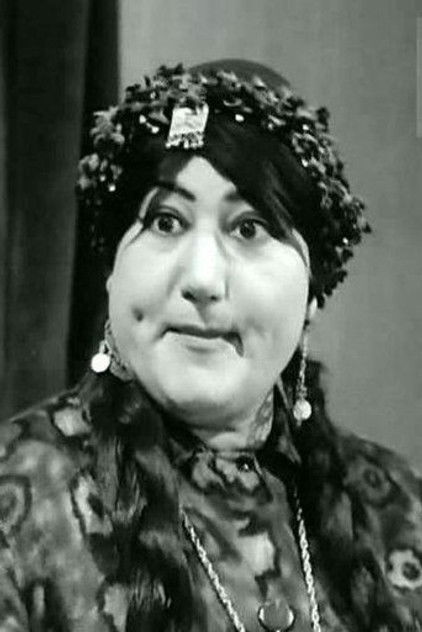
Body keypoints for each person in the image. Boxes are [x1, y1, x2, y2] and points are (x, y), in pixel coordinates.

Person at [0, 59, 421, 632]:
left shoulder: (399, 506)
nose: (201, 278)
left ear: (312, 294)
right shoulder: (19, 498)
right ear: (113, 271)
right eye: (166, 221)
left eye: (249, 228)